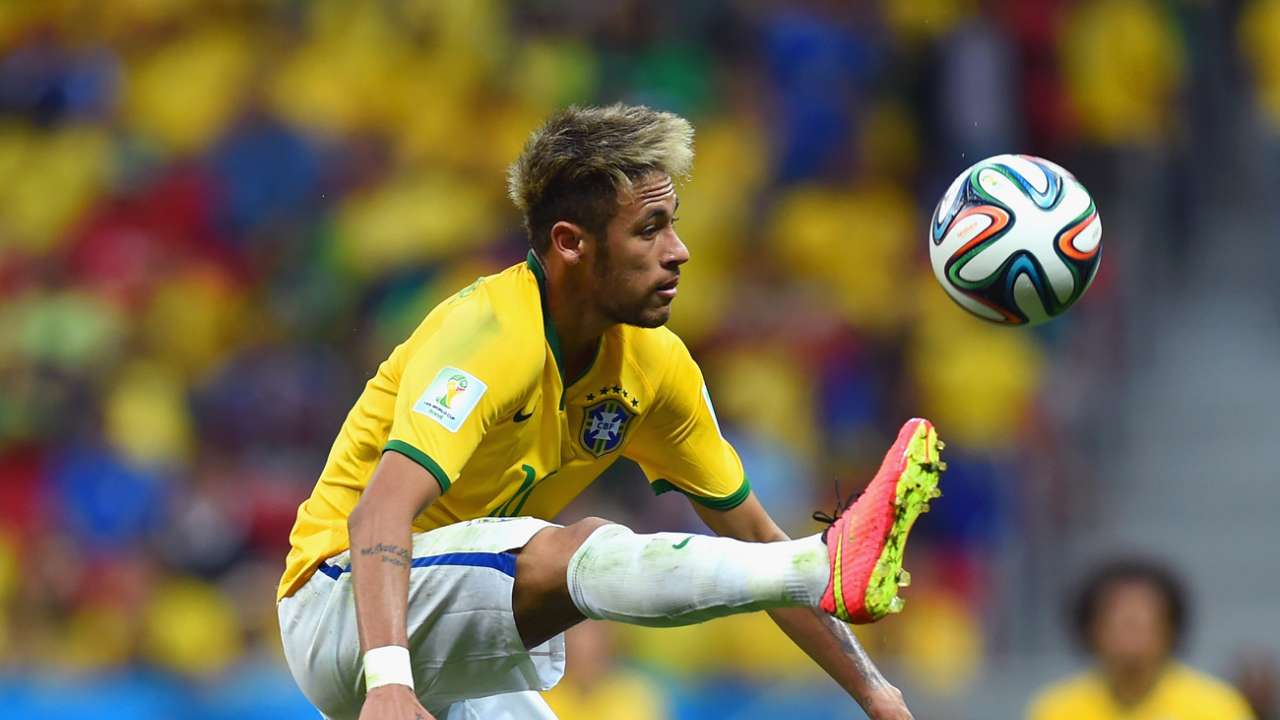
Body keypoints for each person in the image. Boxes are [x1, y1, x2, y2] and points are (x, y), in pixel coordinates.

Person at [276, 104, 943, 720]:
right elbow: (380, 512)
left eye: (674, 224)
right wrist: (388, 679)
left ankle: (818, 565)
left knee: (581, 556)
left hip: (450, 640)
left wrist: (874, 693)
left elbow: (758, 544)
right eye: (649, 229)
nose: (678, 250)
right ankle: (818, 563)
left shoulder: (657, 367)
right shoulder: (486, 337)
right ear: (570, 242)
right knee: (577, 545)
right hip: (346, 609)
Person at [1027, 558, 1255, 720]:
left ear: (1170, 627)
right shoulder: (1057, 709)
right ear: (1091, 629)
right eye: (1119, 621)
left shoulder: (1216, 707)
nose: (1131, 634)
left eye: (1143, 621)